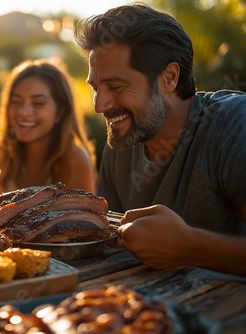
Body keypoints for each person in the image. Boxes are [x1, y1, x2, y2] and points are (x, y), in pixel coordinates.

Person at [75, 3, 246, 276]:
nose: (100, 105)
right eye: (96, 88)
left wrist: (191, 248)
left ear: (169, 78)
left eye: (116, 86)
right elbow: (108, 248)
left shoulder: (233, 124)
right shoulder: (123, 138)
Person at [0, 58, 97, 210]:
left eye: (38, 103)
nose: (24, 112)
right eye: (16, 101)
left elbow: (85, 227)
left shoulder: (75, 159)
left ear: (60, 112)